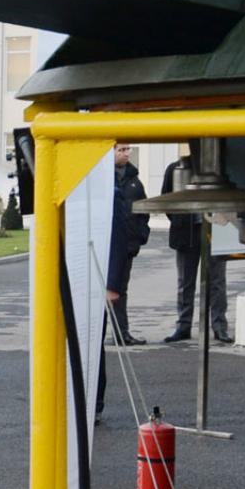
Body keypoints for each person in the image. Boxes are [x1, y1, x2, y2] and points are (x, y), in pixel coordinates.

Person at [160, 149, 230, 344]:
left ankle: (219, 326)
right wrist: (179, 220)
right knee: (185, 282)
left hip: (216, 230)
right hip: (187, 232)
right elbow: (166, 199)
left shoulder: (220, 168)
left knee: (217, 282)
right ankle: (183, 326)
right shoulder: (176, 169)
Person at [106, 143, 150, 345]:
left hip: (127, 246)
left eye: (127, 149)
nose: (126, 153)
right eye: (121, 150)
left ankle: (121, 333)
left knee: (120, 290)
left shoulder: (134, 181)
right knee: (104, 290)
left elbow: (143, 210)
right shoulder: (103, 177)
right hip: (106, 244)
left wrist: (140, 236)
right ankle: (98, 333)